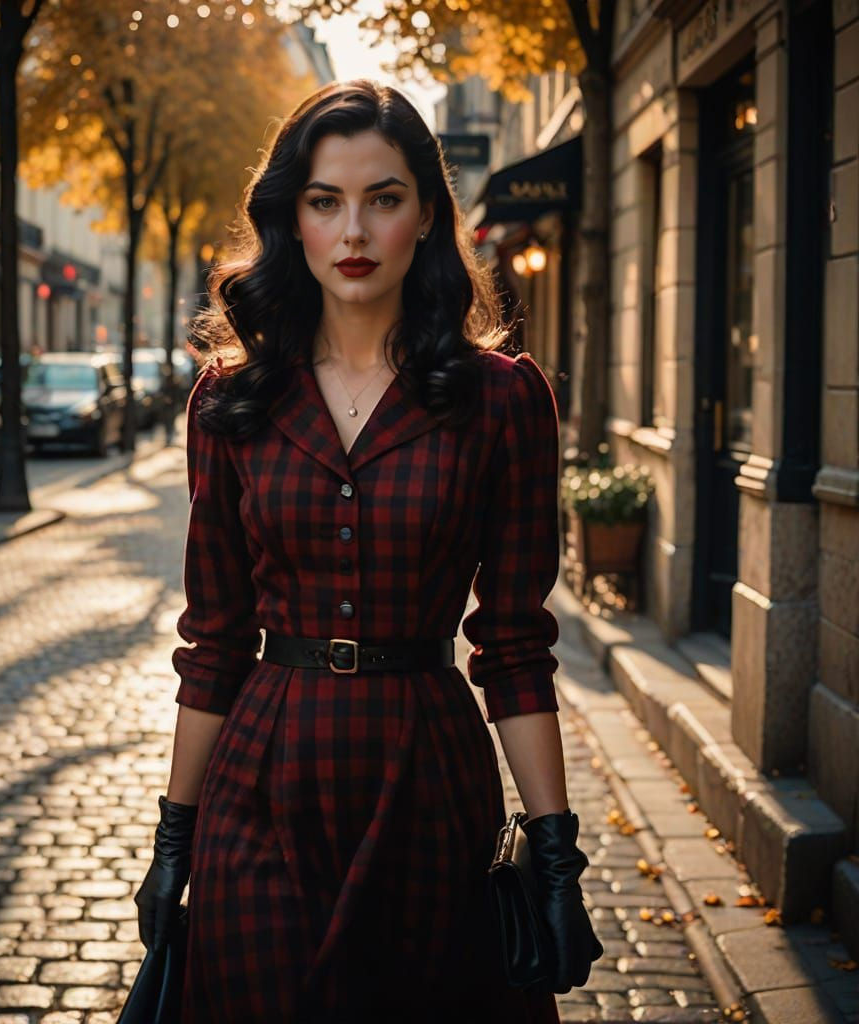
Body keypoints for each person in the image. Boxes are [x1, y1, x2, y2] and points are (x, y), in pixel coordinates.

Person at [132, 79, 604, 1023]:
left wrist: (554, 850)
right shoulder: (231, 403)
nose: (353, 231)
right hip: (263, 778)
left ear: (427, 216)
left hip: (426, 780)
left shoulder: (503, 401)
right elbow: (215, 638)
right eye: (325, 202)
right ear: (291, 221)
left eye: (383, 199)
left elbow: (513, 643)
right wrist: (175, 837)